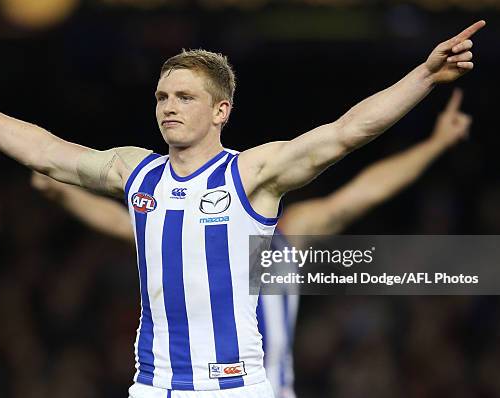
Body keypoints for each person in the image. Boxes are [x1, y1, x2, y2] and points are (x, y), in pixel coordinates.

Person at [0, 20, 484, 397]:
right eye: (161, 96)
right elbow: (47, 150)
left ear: (221, 110)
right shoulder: (140, 174)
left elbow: (344, 133)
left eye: (185, 97)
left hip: (237, 388)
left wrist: (424, 77)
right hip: (152, 385)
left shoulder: (250, 176)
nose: (169, 107)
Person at [31, 88, 472, 398]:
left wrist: (434, 146)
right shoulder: (190, 228)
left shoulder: (287, 235)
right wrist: (65, 193)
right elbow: (119, 223)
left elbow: (366, 188)